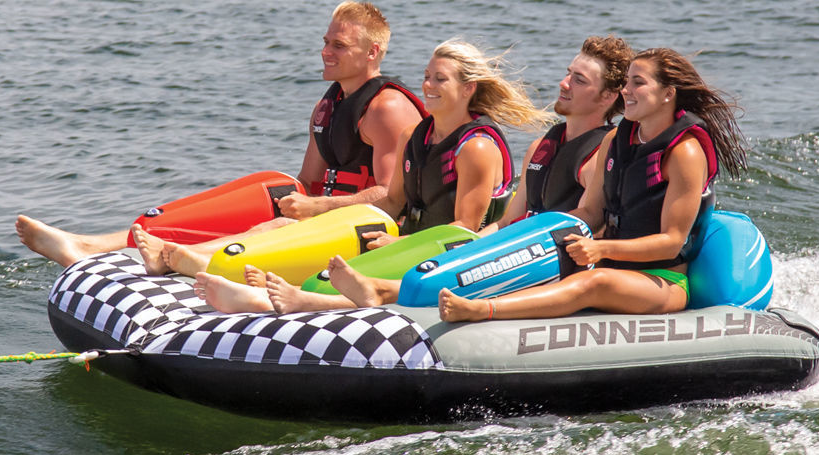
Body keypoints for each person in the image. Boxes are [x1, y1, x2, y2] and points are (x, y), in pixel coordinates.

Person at [15, 1, 424, 269]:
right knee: (272, 186)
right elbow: (309, 181)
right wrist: (293, 202)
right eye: (325, 42)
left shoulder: (387, 108)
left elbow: (391, 199)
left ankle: (184, 257)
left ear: (372, 53)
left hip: (378, 227)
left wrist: (313, 210)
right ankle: (94, 244)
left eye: (339, 45)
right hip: (333, 210)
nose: (325, 51)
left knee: (272, 228)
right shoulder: (329, 104)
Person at [197, 40, 548, 315]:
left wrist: (400, 246)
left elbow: (462, 230)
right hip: (409, 240)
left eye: (440, 79)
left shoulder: (476, 148)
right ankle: (266, 277)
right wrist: (327, 211)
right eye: (427, 75)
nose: (428, 85)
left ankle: (285, 299)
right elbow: (392, 200)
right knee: (321, 233)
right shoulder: (414, 136)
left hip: (453, 256)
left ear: (469, 88)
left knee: (340, 277)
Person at [437, 48, 748, 323]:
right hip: (609, 261)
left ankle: (482, 311)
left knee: (594, 283)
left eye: (638, 83)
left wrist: (600, 248)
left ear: (668, 93)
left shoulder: (685, 152)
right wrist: (535, 241)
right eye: (627, 82)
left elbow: (671, 240)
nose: (627, 90)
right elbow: (591, 211)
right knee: (544, 265)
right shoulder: (616, 139)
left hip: (660, 279)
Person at [490, 34, 633, 230]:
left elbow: (589, 229)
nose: (564, 83)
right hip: (522, 245)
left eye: (579, 80)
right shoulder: (538, 148)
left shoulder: (598, 159)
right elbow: (506, 222)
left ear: (607, 96)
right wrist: (469, 246)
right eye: (569, 74)